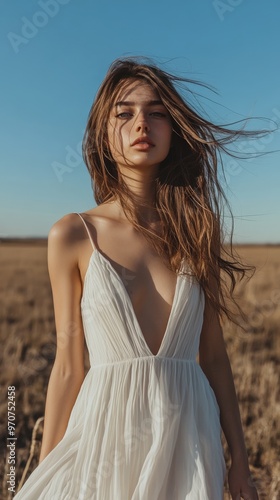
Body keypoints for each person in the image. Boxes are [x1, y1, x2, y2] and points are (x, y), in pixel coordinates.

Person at [14, 57, 261, 499]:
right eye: (124, 113)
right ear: (104, 136)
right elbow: (69, 367)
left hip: (190, 441)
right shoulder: (73, 234)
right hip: (107, 439)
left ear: (173, 130)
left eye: (156, 113)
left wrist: (239, 462)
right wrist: (42, 469)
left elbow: (216, 359)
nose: (141, 124)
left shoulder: (197, 233)